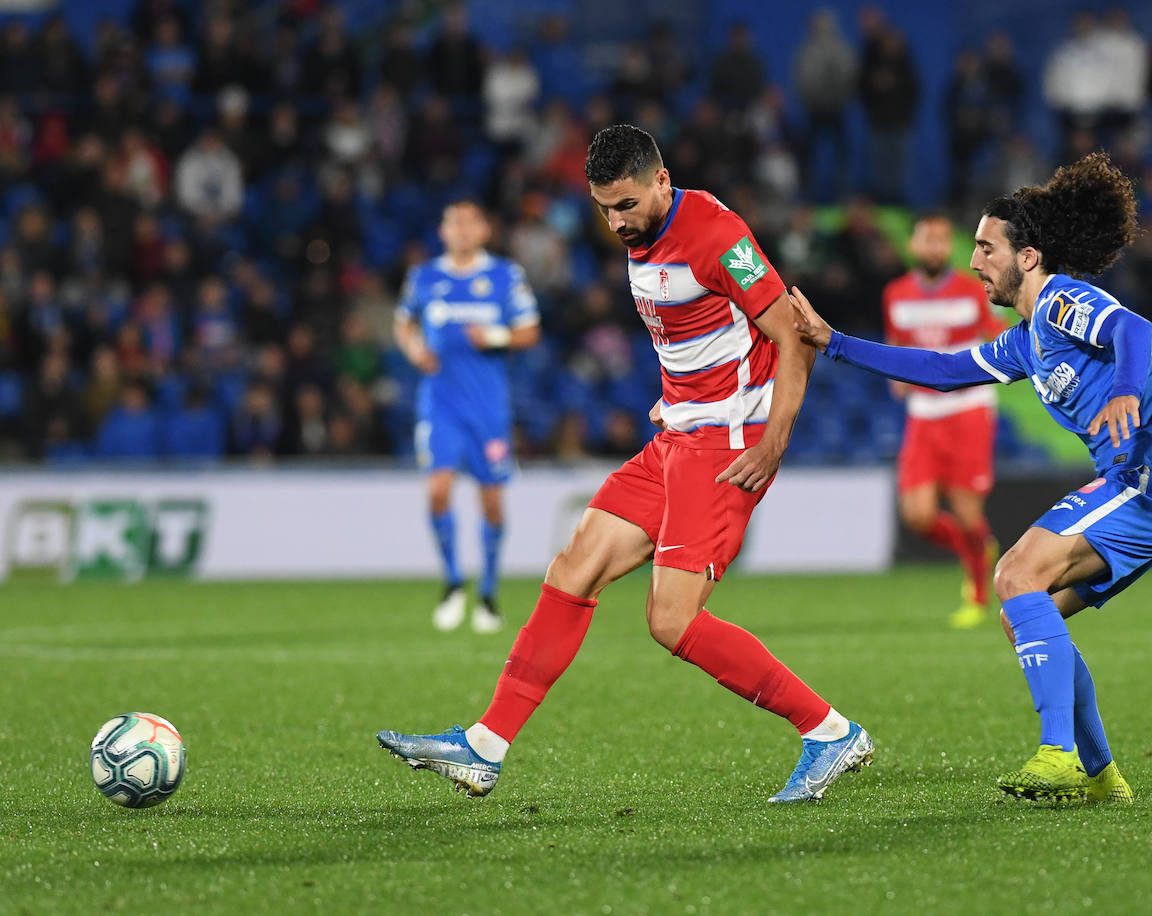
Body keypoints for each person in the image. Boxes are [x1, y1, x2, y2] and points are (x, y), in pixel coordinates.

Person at [378, 124, 873, 803]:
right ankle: (485, 747)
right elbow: (695, 335)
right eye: (604, 207)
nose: (616, 221)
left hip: (727, 445)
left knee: (670, 621)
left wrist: (772, 440)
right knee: (573, 568)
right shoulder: (642, 236)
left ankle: (829, 730)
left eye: (627, 205)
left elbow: (794, 334)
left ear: (662, 181)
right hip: (677, 435)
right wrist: (674, 399)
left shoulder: (716, 233)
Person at [791, 152, 1152, 804]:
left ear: (1029, 257)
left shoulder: (1063, 301)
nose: (973, 260)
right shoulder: (1023, 340)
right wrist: (834, 341)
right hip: (1144, 488)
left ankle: (1059, 754)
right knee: (1025, 612)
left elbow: (1133, 327)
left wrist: (1127, 390)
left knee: (1014, 574)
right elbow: (942, 369)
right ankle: (1101, 778)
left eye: (986, 247)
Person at [394, 199, 542, 633]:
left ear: (483, 231)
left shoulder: (505, 276)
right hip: (439, 405)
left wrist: (495, 335)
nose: (460, 229)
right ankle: (454, 582)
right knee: (437, 491)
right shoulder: (423, 277)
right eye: (452, 221)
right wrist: (414, 349)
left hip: (488, 408)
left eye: (469, 221)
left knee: (492, 502)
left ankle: (489, 592)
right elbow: (403, 323)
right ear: (443, 232)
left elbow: (530, 331)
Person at [883, 213, 1005, 629]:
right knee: (917, 515)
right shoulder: (896, 294)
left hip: (968, 410)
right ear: (913, 246)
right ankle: (977, 548)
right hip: (923, 415)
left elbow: (997, 334)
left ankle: (976, 591)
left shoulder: (973, 292)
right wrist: (898, 377)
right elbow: (897, 343)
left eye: (941, 240)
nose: (934, 247)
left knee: (968, 512)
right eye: (927, 239)